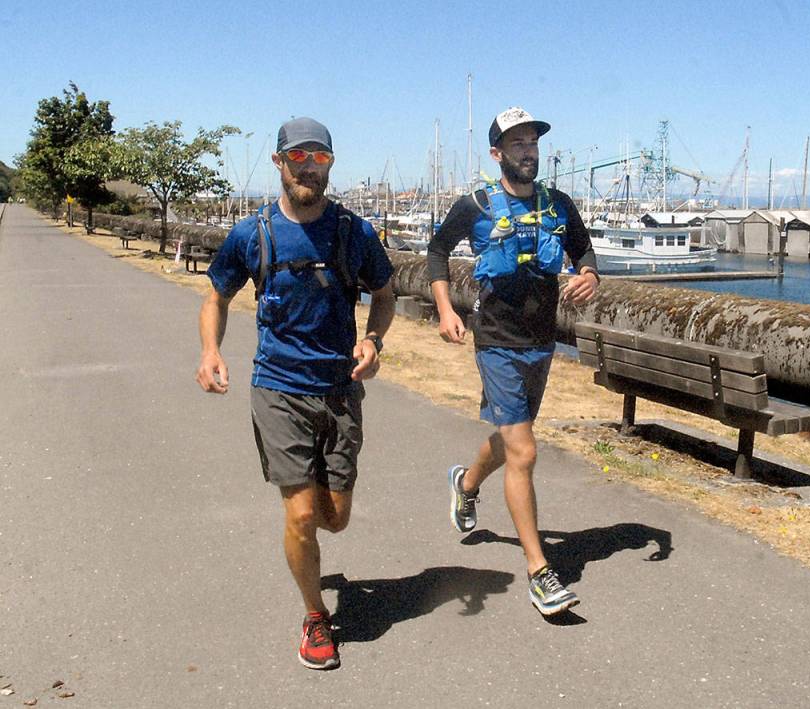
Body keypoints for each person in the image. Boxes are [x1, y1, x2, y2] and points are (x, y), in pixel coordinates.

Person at [195, 117, 395, 670]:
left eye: (319, 158)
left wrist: (373, 340)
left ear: (330, 164)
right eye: (298, 157)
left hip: (339, 390)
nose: (309, 167)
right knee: (302, 515)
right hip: (278, 388)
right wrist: (210, 351)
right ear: (279, 162)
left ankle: (313, 556)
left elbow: (384, 293)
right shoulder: (252, 233)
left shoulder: (354, 233)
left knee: (335, 518)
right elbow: (216, 297)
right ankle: (315, 616)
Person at [427, 107, 600, 616]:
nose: (528, 151)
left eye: (533, 143)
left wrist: (590, 275)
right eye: (518, 143)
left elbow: (584, 252)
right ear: (497, 153)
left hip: (541, 342)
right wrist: (445, 309)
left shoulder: (558, 204)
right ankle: (539, 571)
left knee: (510, 440)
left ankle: (466, 483)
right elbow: (436, 252)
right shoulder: (476, 204)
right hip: (496, 341)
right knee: (524, 452)